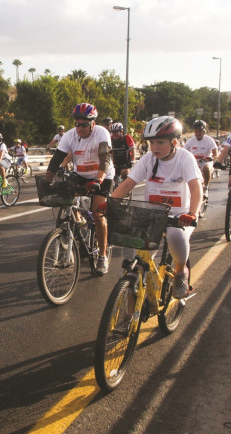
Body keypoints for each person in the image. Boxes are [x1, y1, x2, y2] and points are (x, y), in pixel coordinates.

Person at [111, 116, 201, 299]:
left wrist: (193, 213)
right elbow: (128, 184)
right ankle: (130, 313)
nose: (154, 147)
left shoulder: (185, 158)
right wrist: (110, 203)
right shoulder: (148, 159)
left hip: (179, 216)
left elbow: (195, 186)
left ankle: (181, 272)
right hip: (152, 215)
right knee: (135, 263)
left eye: (160, 142)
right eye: (151, 142)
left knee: (175, 235)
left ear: (174, 142)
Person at [44, 103, 114, 273]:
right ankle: (78, 222)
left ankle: (102, 256)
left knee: (98, 215)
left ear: (93, 124)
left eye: (84, 124)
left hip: (102, 176)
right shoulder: (69, 136)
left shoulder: (102, 133)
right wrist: (47, 181)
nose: (80, 128)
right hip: (81, 175)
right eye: (77, 124)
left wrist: (99, 179)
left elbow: (105, 159)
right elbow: (56, 160)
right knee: (65, 200)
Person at [183, 120, 218, 192]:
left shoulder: (209, 140)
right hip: (194, 162)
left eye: (200, 131)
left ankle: (205, 186)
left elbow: (215, 153)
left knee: (206, 168)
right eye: (196, 131)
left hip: (206, 161)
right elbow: (184, 153)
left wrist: (213, 158)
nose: (198, 133)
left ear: (204, 131)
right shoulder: (190, 141)